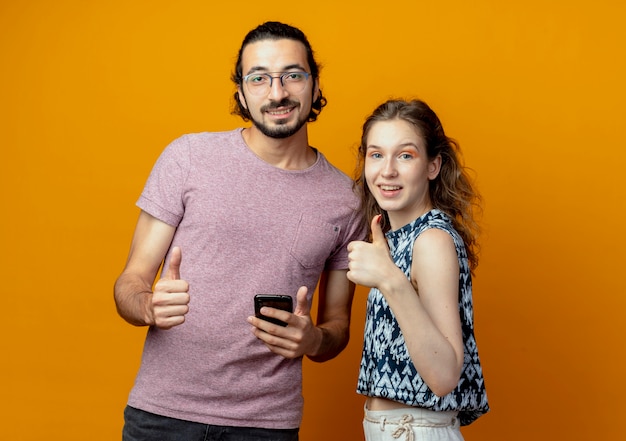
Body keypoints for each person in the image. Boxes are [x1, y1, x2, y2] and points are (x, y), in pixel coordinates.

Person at [114, 21, 366, 441]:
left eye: (293, 75)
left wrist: (314, 340)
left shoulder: (347, 200)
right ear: (241, 94)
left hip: (267, 426)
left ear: (315, 85)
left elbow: (337, 324)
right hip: (162, 415)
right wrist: (148, 307)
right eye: (259, 78)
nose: (278, 92)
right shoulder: (188, 158)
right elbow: (130, 282)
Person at [347, 99, 489, 440]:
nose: (387, 171)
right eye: (376, 154)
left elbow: (443, 377)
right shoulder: (396, 238)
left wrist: (389, 279)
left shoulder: (432, 239)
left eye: (405, 155)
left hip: (415, 432)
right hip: (391, 430)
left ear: (433, 166)